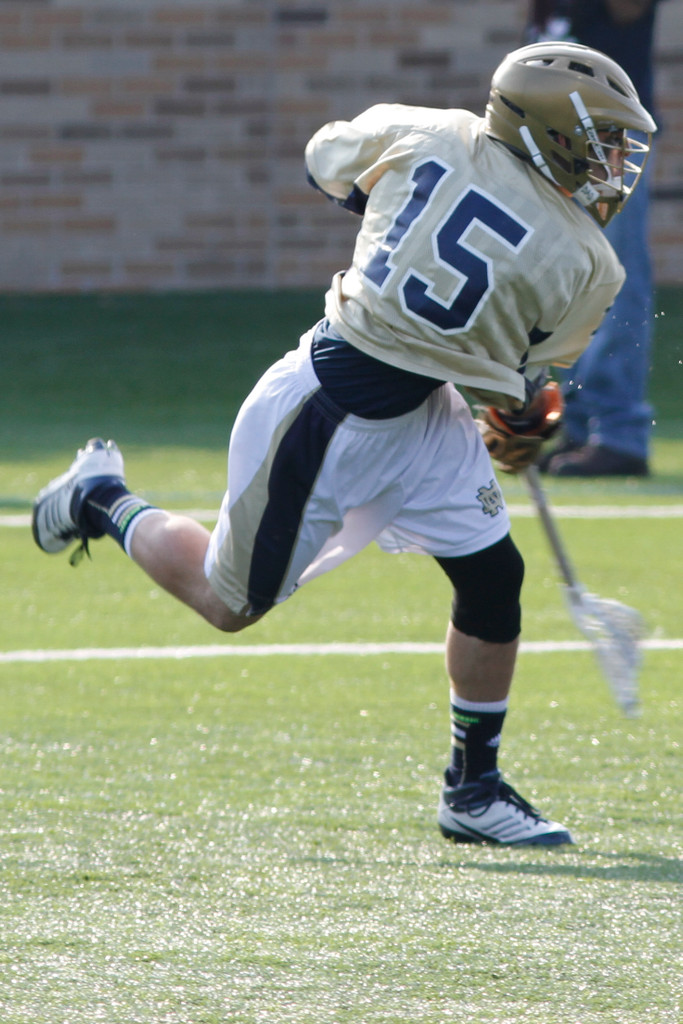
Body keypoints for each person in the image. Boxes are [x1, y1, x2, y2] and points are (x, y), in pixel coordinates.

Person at [32, 42, 655, 846]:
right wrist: (523, 420)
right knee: (227, 605)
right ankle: (100, 497)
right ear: (548, 130)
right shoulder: (586, 259)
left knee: (494, 576)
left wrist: (380, 200)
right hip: (331, 414)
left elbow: (325, 162)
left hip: (424, 412)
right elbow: (530, 371)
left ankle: (472, 789)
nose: (612, 161)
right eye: (602, 140)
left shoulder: (427, 130)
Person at [526, 0, 663, 476]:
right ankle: (578, 426)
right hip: (553, 137)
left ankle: (618, 432)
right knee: (568, 285)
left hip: (611, 139)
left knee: (615, 280)